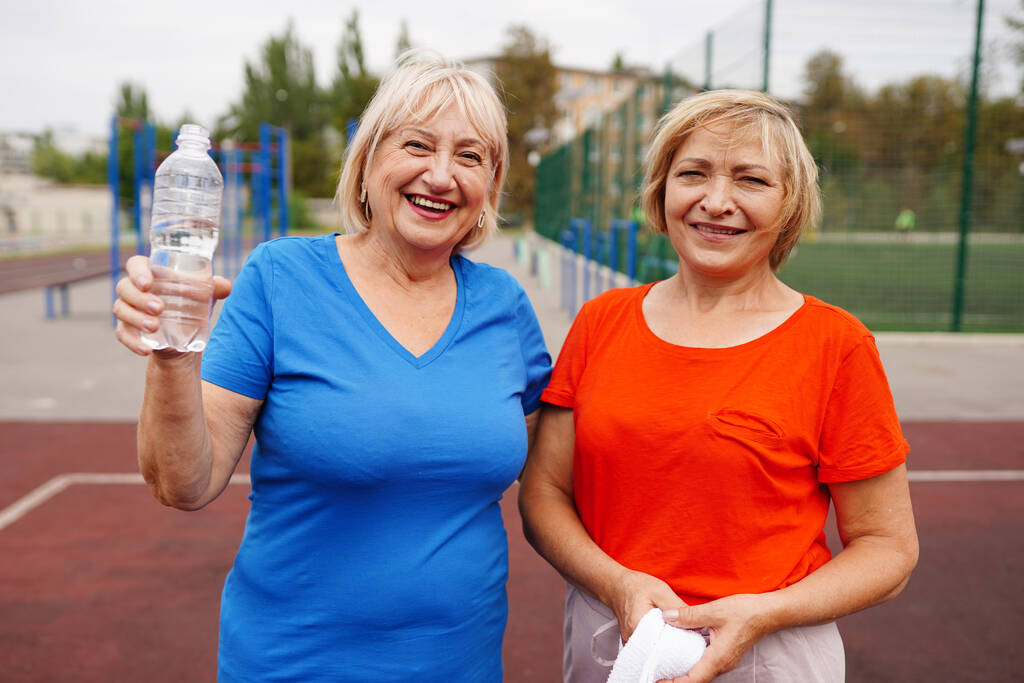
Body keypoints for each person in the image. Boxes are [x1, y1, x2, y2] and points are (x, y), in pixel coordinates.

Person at [112, 51, 551, 681]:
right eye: (418, 145)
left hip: (461, 665)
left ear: (490, 184)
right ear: (370, 159)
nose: (441, 175)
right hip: (294, 664)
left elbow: (556, 486)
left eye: (470, 156)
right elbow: (184, 484)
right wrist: (171, 354)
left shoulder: (505, 306)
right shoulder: (279, 278)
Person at [518, 90, 919, 683]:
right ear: (661, 191)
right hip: (616, 638)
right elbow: (544, 492)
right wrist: (618, 584)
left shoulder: (837, 345)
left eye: (751, 180)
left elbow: (888, 549)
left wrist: (763, 612)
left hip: (773, 651)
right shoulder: (601, 321)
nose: (716, 201)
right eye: (693, 174)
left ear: (790, 205)